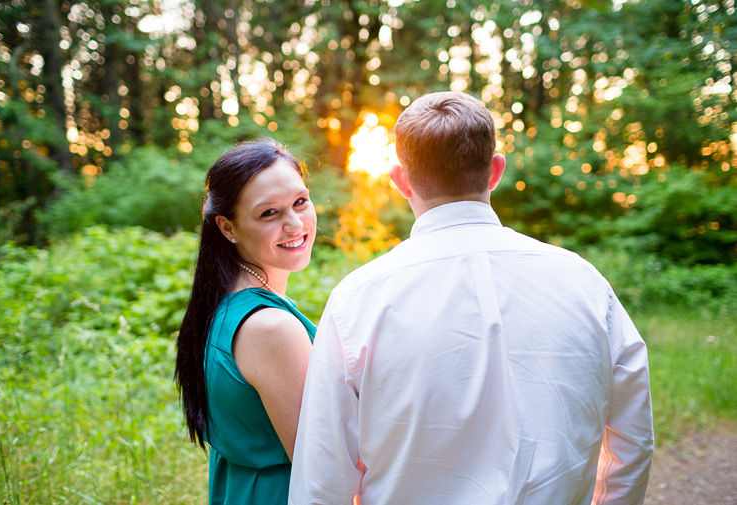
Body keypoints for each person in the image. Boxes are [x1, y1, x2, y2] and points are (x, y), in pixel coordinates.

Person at [289, 92, 653, 505]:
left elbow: (322, 479)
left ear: (400, 179)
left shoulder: (356, 301)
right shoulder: (584, 283)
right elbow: (633, 440)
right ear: (495, 170)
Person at [175, 139, 318, 505]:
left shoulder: (225, 304)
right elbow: (319, 467)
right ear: (227, 227)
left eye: (300, 202)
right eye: (269, 213)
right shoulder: (270, 327)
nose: (295, 224)